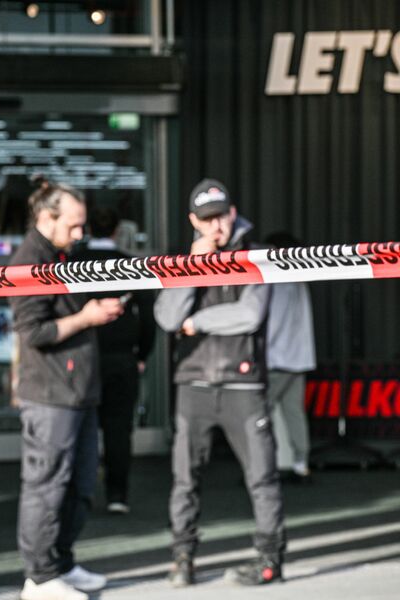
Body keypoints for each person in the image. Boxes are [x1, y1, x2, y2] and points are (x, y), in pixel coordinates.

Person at [154, 178, 286, 587]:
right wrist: (191, 269)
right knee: (184, 479)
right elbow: (167, 318)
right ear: (194, 221)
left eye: (221, 216)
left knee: (262, 476)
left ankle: (270, 559)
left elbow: (250, 315)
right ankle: (182, 558)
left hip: (243, 384)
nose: (216, 226)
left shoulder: (255, 254)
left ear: (233, 213)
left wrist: (197, 322)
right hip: (193, 382)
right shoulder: (184, 260)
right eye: (207, 219)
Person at [9, 178, 123, 600]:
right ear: (46, 217)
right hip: (50, 396)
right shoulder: (28, 261)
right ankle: (39, 578)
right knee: (47, 485)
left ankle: (61, 564)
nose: (80, 234)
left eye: (82, 225)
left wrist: (95, 313)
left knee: (79, 485)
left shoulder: (61, 254)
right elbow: (33, 332)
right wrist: (86, 318)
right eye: (73, 225)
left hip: (78, 392)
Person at [71, 206, 155, 514]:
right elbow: (148, 317)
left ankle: (79, 493)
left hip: (80, 357)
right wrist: (141, 354)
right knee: (118, 429)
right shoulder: (129, 265)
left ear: (87, 228)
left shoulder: (72, 263)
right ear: (118, 230)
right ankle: (117, 495)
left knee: (79, 428)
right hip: (121, 359)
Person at [264, 232, 316, 483]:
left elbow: (274, 323)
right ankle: (301, 465)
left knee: (258, 412)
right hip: (299, 358)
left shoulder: (277, 280)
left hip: (278, 358)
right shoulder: (298, 278)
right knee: (294, 412)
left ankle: (261, 467)